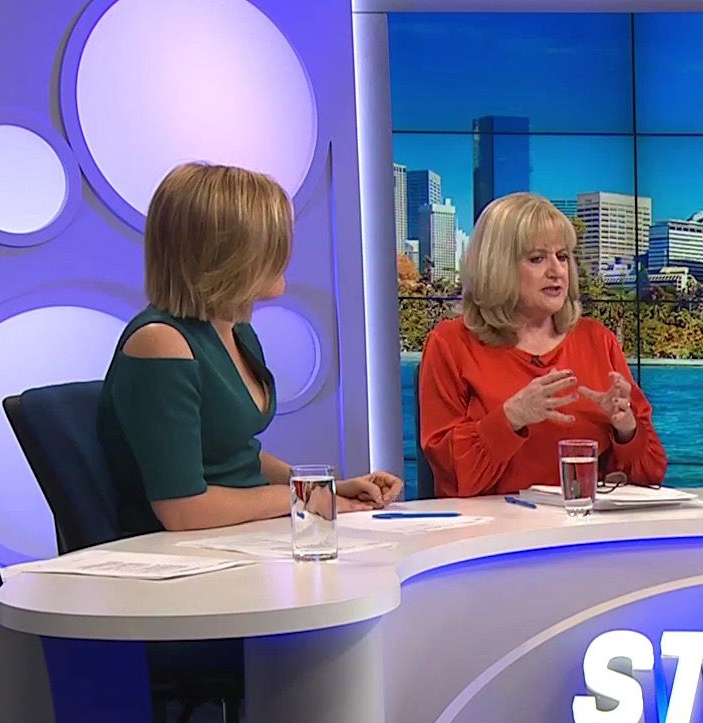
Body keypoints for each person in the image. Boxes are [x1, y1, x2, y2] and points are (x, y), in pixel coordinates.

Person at [100, 163, 402, 535]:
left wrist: (326, 489)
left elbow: (235, 455)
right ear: (225, 255)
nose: (285, 256)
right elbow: (183, 510)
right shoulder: (160, 343)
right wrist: (304, 498)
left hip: (236, 537)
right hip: (179, 550)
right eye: (271, 245)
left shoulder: (236, 331)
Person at [420, 193, 665, 496]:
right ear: (497, 266)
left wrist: (625, 427)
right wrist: (512, 417)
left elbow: (651, 475)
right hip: (492, 525)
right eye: (537, 258)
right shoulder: (450, 344)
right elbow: (451, 477)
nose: (557, 271)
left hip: (583, 520)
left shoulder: (598, 340)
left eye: (562, 256)